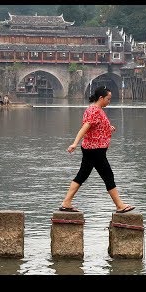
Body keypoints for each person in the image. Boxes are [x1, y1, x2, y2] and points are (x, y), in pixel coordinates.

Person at [59, 85, 135, 214]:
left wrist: (108, 128)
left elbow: (96, 125)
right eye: (108, 99)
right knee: (108, 176)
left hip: (92, 149)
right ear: (101, 98)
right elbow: (85, 128)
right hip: (95, 150)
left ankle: (66, 202)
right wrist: (74, 143)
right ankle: (120, 205)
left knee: (82, 175)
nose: (109, 101)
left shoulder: (95, 109)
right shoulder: (94, 110)